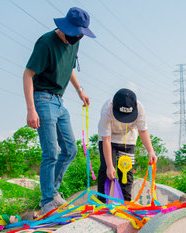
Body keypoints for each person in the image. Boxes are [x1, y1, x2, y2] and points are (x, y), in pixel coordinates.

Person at [23, 7, 95, 214]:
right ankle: (46, 201)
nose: (80, 36)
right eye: (77, 32)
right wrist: (31, 109)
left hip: (59, 100)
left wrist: (80, 91)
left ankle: (53, 192)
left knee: (70, 149)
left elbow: (69, 67)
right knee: (50, 152)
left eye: (82, 33)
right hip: (43, 98)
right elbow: (28, 74)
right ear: (66, 27)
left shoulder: (75, 40)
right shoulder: (46, 43)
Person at [97, 88, 158, 201]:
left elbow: (143, 131)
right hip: (108, 139)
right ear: (112, 104)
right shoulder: (106, 109)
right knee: (106, 170)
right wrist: (110, 166)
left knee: (126, 172)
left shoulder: (140, 108)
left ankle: (126, 203)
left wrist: (151, 151)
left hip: (128, 138)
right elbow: (106, 140)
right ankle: (102, 203)